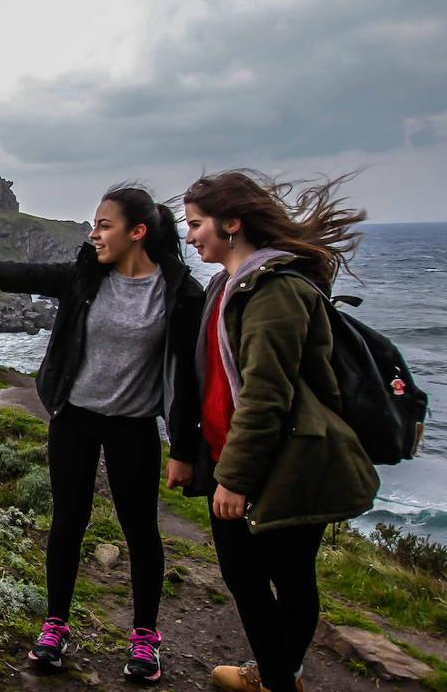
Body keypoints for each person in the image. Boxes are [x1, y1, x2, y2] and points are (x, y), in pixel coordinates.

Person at [0, 186, 204, 683]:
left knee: (141, 531)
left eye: (104, 225)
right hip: (75, 418)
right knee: (69, 521)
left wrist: (185, 449)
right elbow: (15, 275)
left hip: (135, 426)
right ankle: (55, 624)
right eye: (93, 224)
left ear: (137, 232)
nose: (93, 233)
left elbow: (191, 375)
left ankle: (145, 637)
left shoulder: (182, 294)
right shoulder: (84, 279)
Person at [178, 170, 380, 692]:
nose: (190, 234)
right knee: (273, 578)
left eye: (196, 224)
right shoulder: (229, 285)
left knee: (268, 578)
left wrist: (236, 478)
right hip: (252, 456)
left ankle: (275, 681)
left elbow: (268, 395)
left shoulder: (273, 290)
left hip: (285, 462)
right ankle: (277, 676)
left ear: (232, 223)